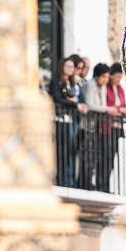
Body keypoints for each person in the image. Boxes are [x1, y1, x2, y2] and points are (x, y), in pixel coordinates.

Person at [50, 58, 86, 187]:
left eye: (72, 67)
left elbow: (72, 97)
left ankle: (68, 180)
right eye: (68, 66)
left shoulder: (71, 82)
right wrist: (74, 103)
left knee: (70, 150)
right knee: (62, 151)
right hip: (59, 119)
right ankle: (61, 179)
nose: (71, 69)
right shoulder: (56, 82)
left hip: (70, 119)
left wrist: (72, 100)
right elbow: (58, 98)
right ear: (62, 67)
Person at [83, 63, 116, 191]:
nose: (106, 80)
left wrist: (104, 109)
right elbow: (90, 105)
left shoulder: (102, 87)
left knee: (96, 155)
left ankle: (93, 183)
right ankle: (85, 183)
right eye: (104, 77)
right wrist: (107, 109)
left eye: (108, 77)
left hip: (98, 125)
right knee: (88, 155)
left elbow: (101, 104)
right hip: (87, 125)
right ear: (97, 76)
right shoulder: (90, 85)